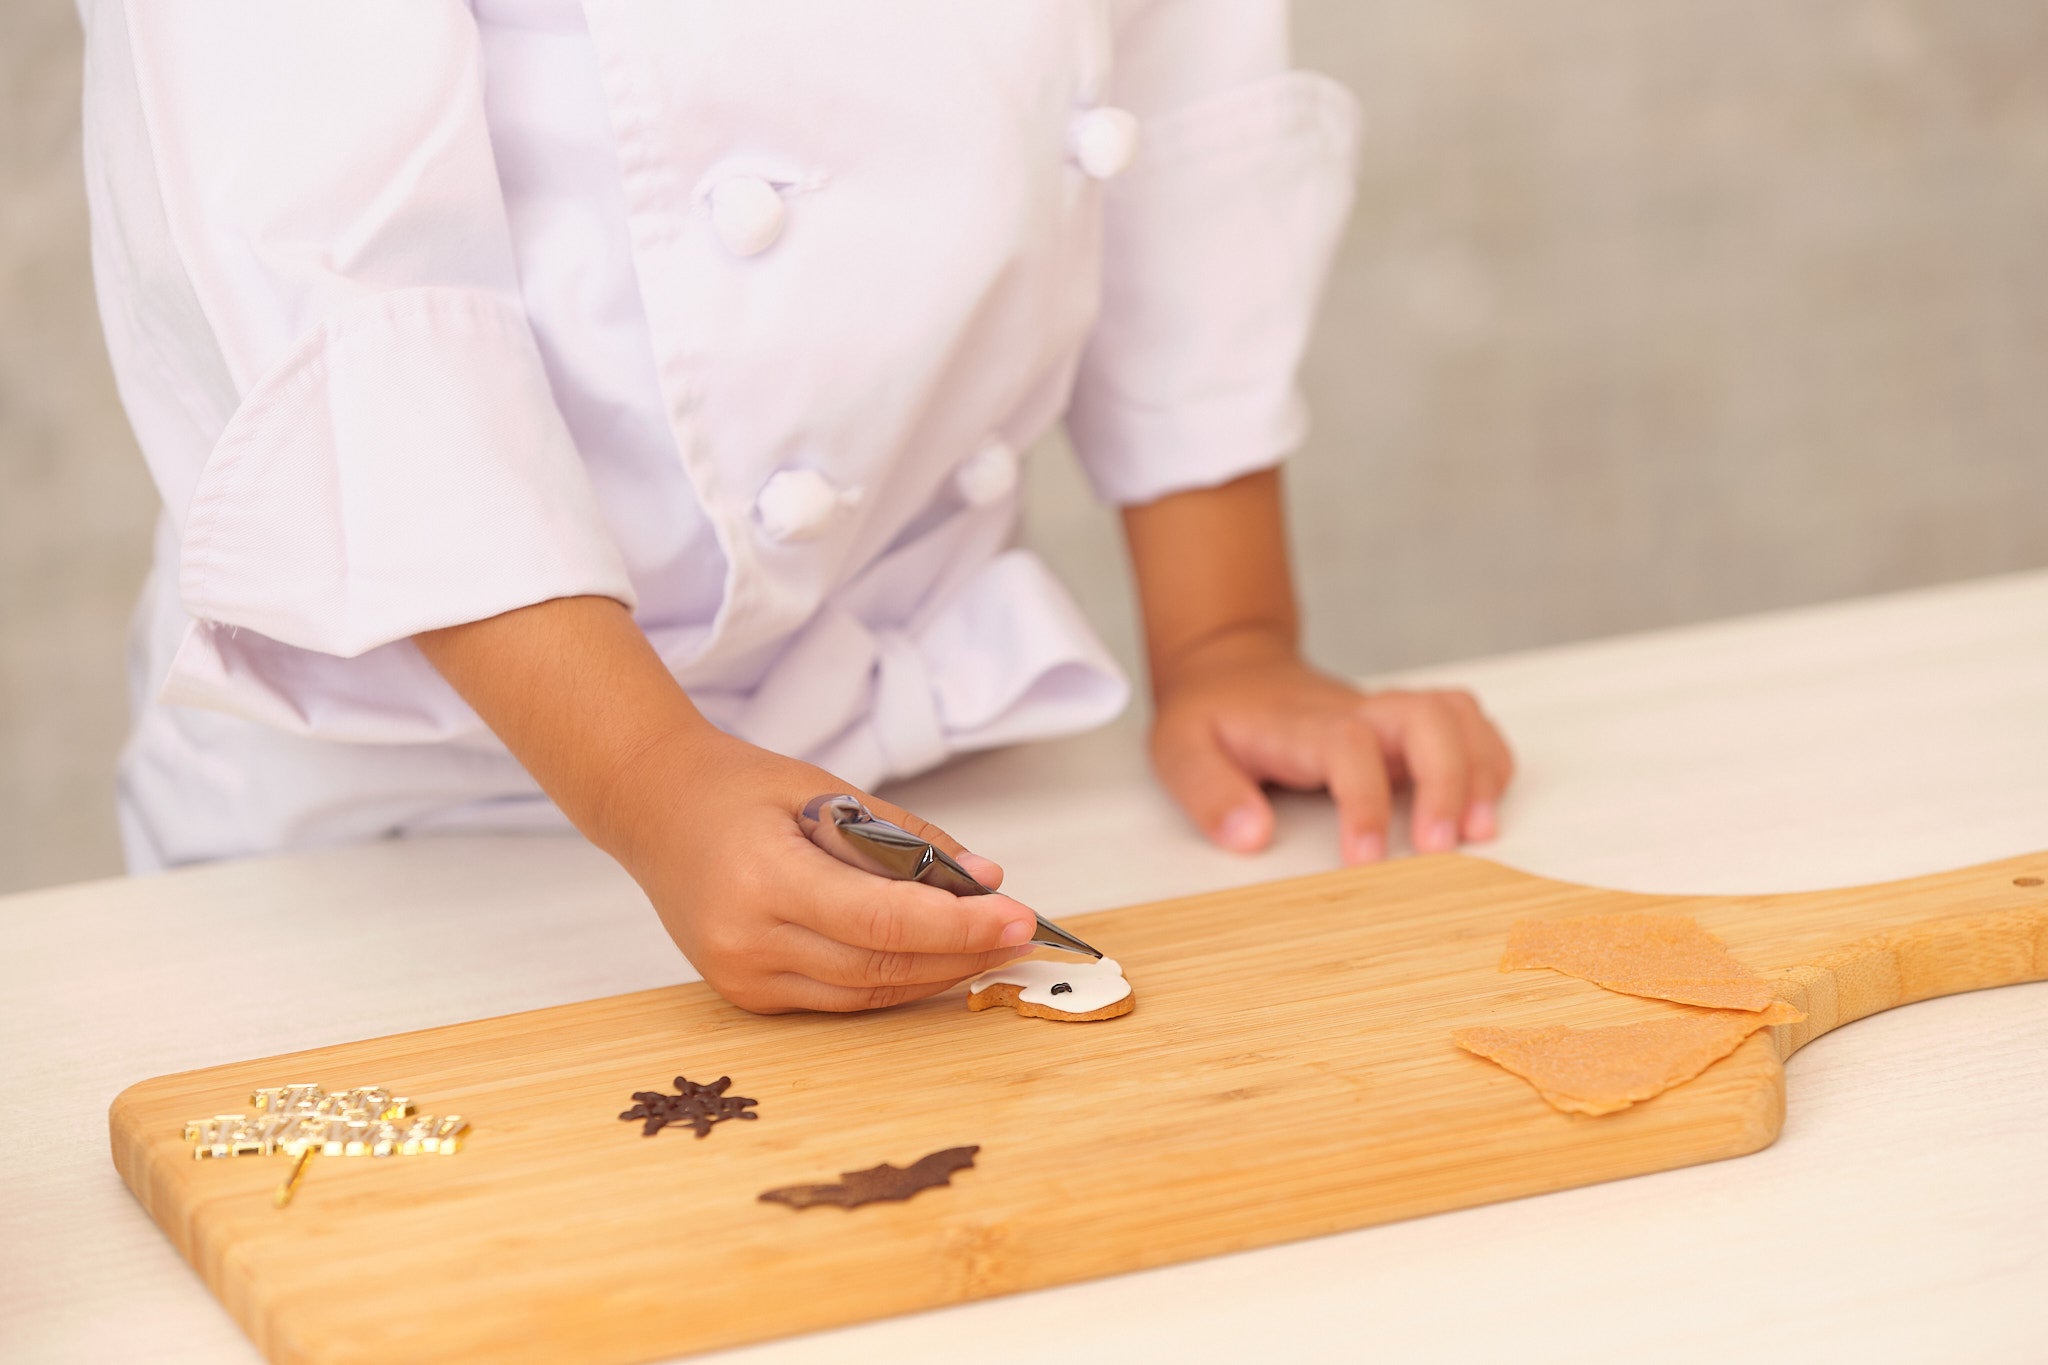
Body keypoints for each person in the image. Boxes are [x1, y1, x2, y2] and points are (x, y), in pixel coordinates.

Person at [79, 1, 1513, 1013]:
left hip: (908, 748)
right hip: (392, 829)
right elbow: (350, 302)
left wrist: (1230, 641)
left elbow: (1171, 108)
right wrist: (650, 775)